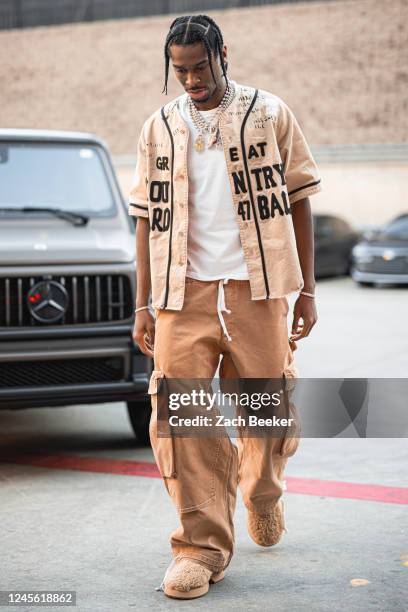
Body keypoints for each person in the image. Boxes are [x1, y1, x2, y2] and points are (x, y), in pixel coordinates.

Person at [128, 14, 321, 600]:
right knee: (183, 421)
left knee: (265, 412)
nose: (191, 80)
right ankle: (201, 548)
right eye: (180, 70)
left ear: (222, 55)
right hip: (182, 295)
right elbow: (145, 218)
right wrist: (143, 303)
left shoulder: (269, 113)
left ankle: (262, 490)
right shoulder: (158, 127)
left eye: (200, 67)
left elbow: (300, 198)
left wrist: (307, 289)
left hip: (257, 289)